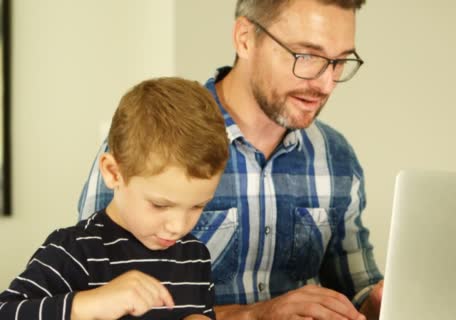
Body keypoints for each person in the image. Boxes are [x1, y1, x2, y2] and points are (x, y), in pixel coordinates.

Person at [79, 0, 384, 319]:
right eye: (306, 56)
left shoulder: (336, 156)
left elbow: (357, 287)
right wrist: (256, 314)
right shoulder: (151, 138)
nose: (326, 83)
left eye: (339, 62)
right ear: (244, 38)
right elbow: (95, 297)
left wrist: (379, 301)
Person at [1, 77, 229, 319]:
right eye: (160, 205)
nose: (178, 226)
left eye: (198, 206)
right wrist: (87, 305)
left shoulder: (195, 257)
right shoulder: (74, 251)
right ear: (113, 173)